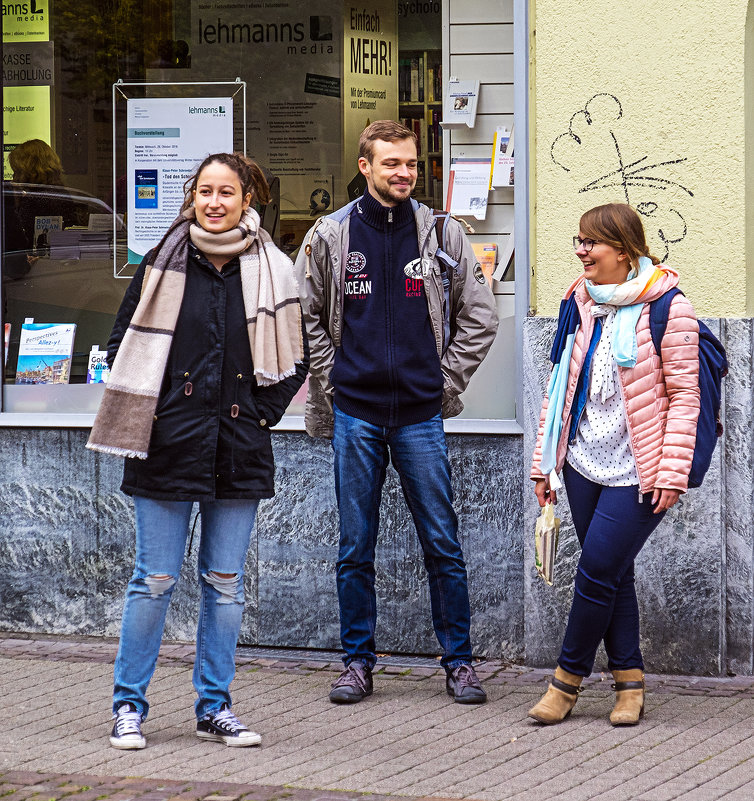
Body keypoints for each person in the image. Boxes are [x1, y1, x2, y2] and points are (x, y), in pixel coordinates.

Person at [86, 152, 308, 749]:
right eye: (205, 191)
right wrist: (154, 413)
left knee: (224, 583)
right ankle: (128, 707)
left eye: (227, 193)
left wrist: (264, 413)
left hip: (239, 445)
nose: (215, 202)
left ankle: (215, 706)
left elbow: (296, 357)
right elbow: (119, 345)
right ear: (193, 198)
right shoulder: (162, 261)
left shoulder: (274, 269)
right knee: (153, 580)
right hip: (166, 446)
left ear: (246, 201)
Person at [295, 120, 498, 705]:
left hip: (419, 415)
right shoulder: (330, 236)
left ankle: (458, 663)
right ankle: (357, 662)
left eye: (410, 163)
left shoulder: (442, 234)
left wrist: (443, 379)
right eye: (392, 164)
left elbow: (480, 317)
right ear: (366, 167)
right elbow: (308, 316)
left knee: (443, 542)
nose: (405, 173)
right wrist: (333, 380)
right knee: (355, 546)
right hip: (355, 414)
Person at [529, 203, 700, 726]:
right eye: (577, 241)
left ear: (624, 250)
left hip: (638, 468)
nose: (580, 251)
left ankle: (566, 682)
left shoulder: (670, 308)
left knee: (596, 570)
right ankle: (630, 684)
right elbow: (558, 385)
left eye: (591, 243)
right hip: (582, 462)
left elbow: (686, 397)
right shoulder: (579, 301)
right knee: (613, 574)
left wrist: (672, 472)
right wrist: (545, 463)